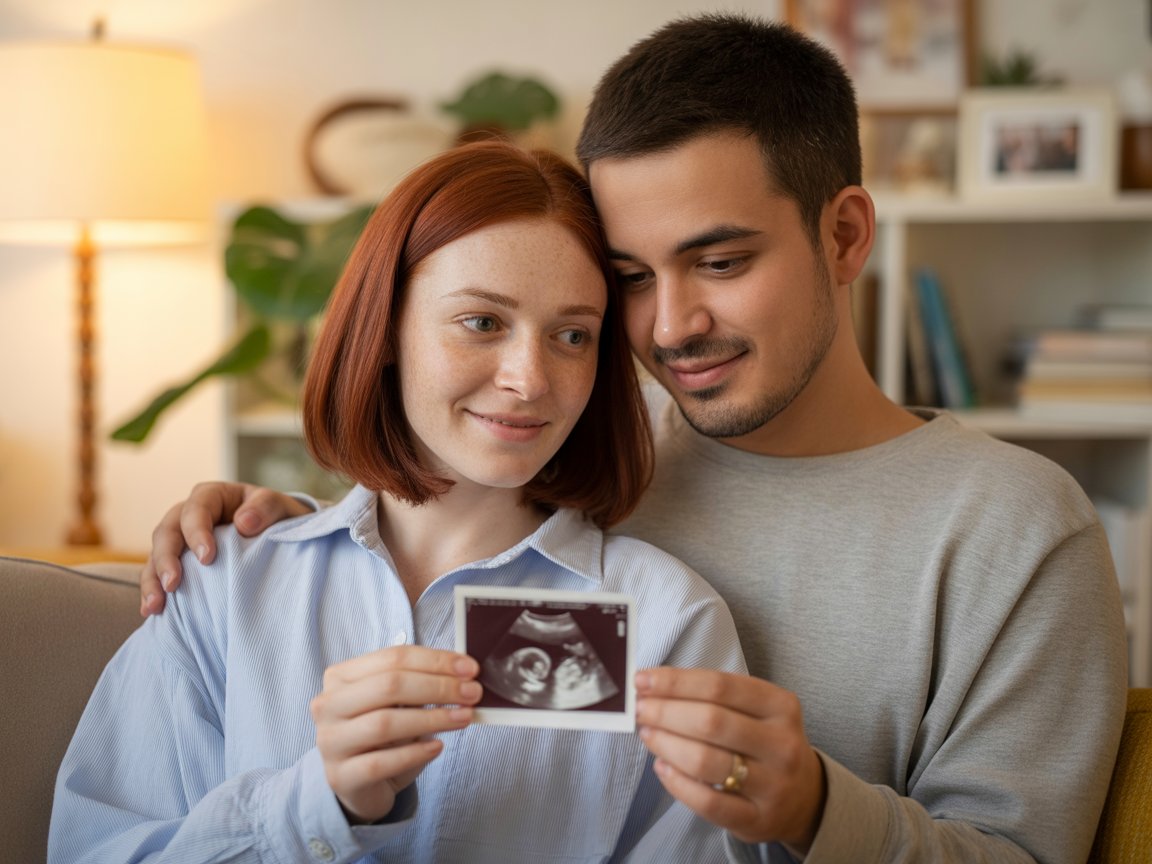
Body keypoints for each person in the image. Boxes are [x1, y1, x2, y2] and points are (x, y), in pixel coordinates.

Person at [138, 14, 1128, 864]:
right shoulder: (568, 437)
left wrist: (822, 811)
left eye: (722, 260)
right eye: (632, 280)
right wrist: (271, 527)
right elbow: (402, 552)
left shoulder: (1018, 528)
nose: (669, 326)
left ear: (845, 237)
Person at [49, 141, 746, 863]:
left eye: (572, 336)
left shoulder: (665, 622)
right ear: (385, 330)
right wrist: (314, 806)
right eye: (482, 322)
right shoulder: (226, 586)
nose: (530, 378)